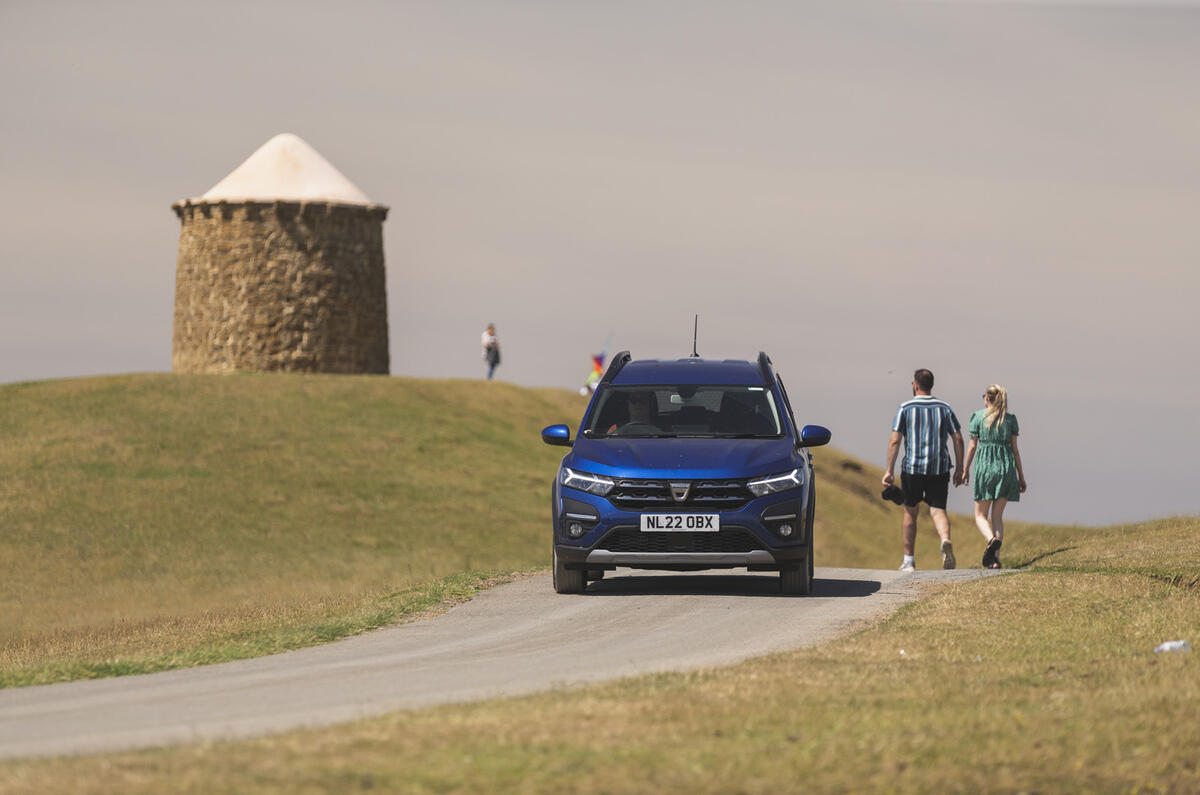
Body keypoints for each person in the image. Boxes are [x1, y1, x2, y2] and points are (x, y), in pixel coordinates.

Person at [882, 369, 965, 572]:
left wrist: (889, 470)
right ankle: (945, 540)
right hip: (939, 468)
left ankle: (908, 560)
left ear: (915, 385)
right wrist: (960, 467)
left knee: (910, 511)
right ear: (931, 385)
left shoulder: (905, 408)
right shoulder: (944, 408)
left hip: (913, 468)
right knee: (938, 510)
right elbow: (958, 438)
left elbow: (895, 441)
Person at [962, 384, 1027, 569]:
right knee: (997, 517)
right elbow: (1015, 450)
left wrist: (965, 470)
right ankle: (995, 560)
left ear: (987, 398)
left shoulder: (977, 417)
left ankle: (991, 540)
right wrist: (1021, 477)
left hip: (985, 469)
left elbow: (972, 446)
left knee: (980, 515)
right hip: (1006, 469)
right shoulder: (1010, 420)